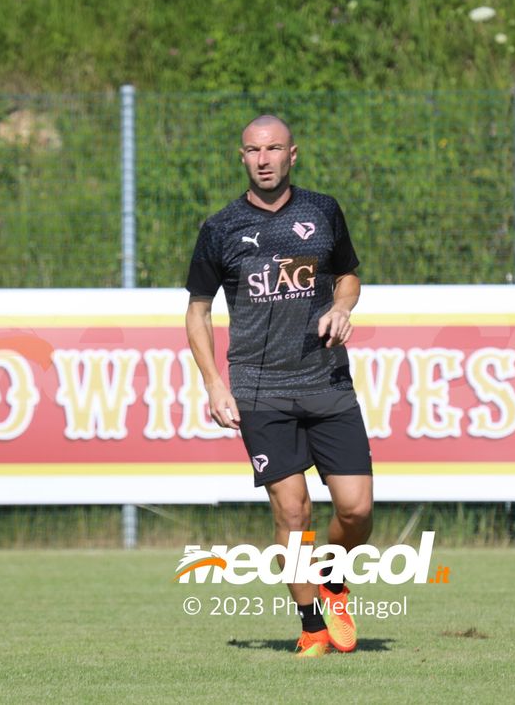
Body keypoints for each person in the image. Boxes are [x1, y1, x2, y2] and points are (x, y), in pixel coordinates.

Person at [184, 115, 373, 658]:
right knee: (292, 514)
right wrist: (215, 385)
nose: (262, 159)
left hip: (327, 381)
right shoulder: (220, 228)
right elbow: (197, 313)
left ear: (294, 154)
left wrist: (341, 306)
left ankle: (333, 580)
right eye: (252, 150)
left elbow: (349, 275)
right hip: (261, 389)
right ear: (242, 157)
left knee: (356, 510)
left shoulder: (322, 210)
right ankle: (313, 626)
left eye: (272, 149)